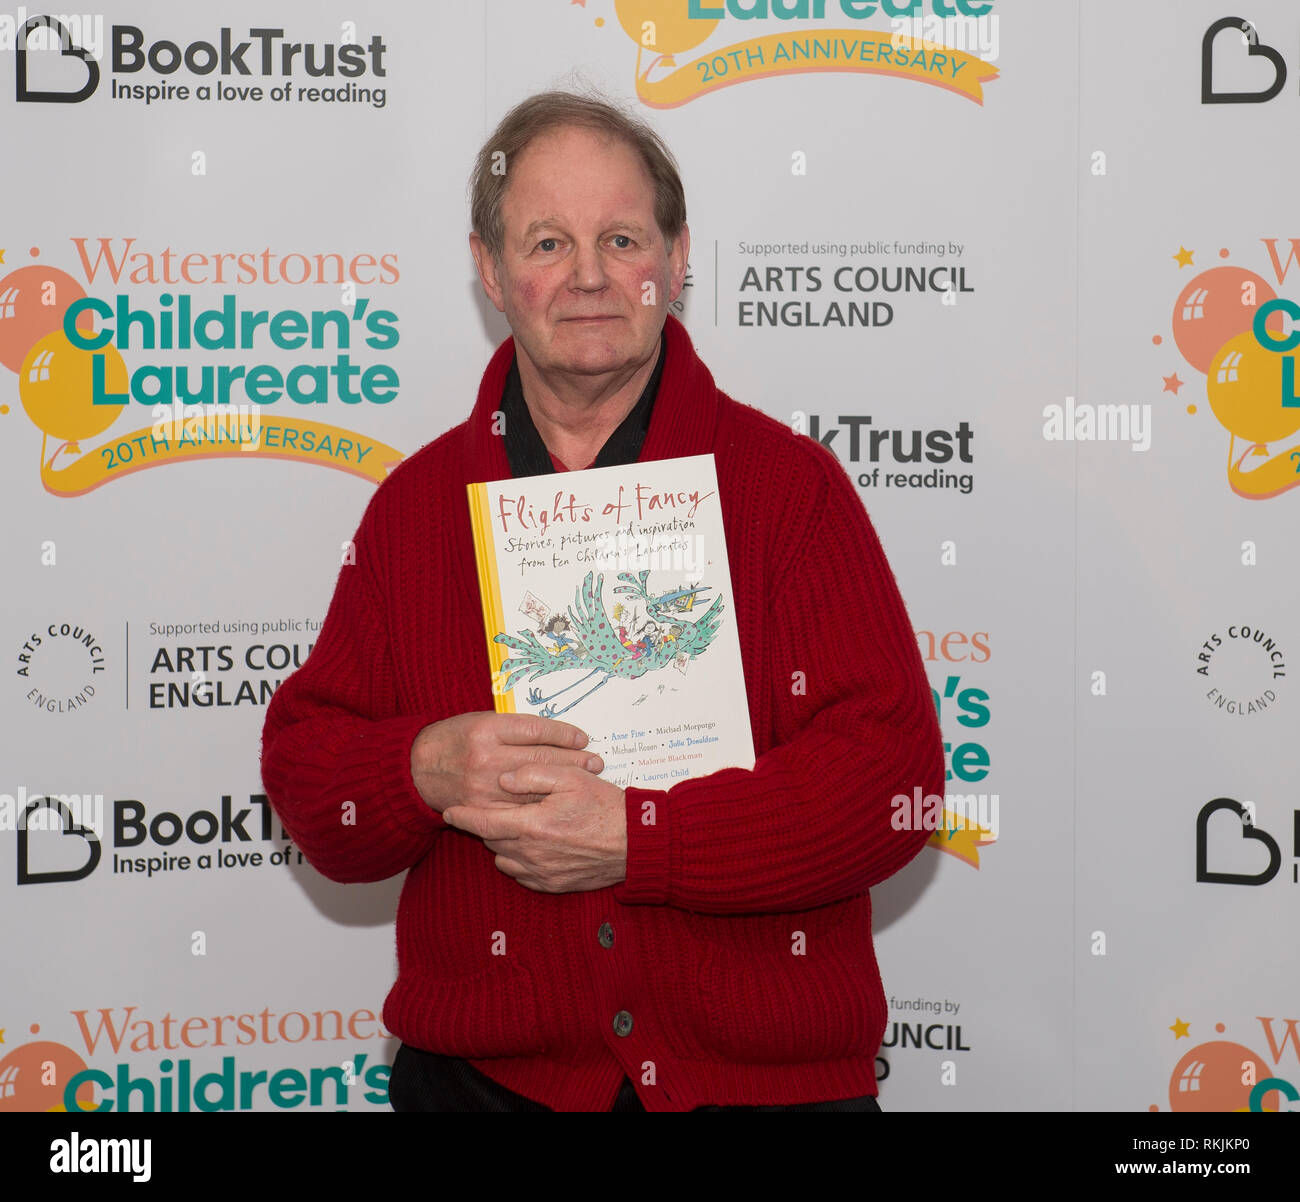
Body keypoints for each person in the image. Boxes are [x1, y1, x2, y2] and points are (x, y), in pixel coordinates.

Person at [260, 89, 945, 1112]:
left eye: (620, 237)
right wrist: (420, 766)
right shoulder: (417, 506)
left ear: (675, 262)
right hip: (483, 1086)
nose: (586, 274)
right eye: (546, 240)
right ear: (491, 272)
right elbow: (318, 789)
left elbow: (892, 783)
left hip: (760, 1088)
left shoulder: (787, 489)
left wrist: (645, 837)